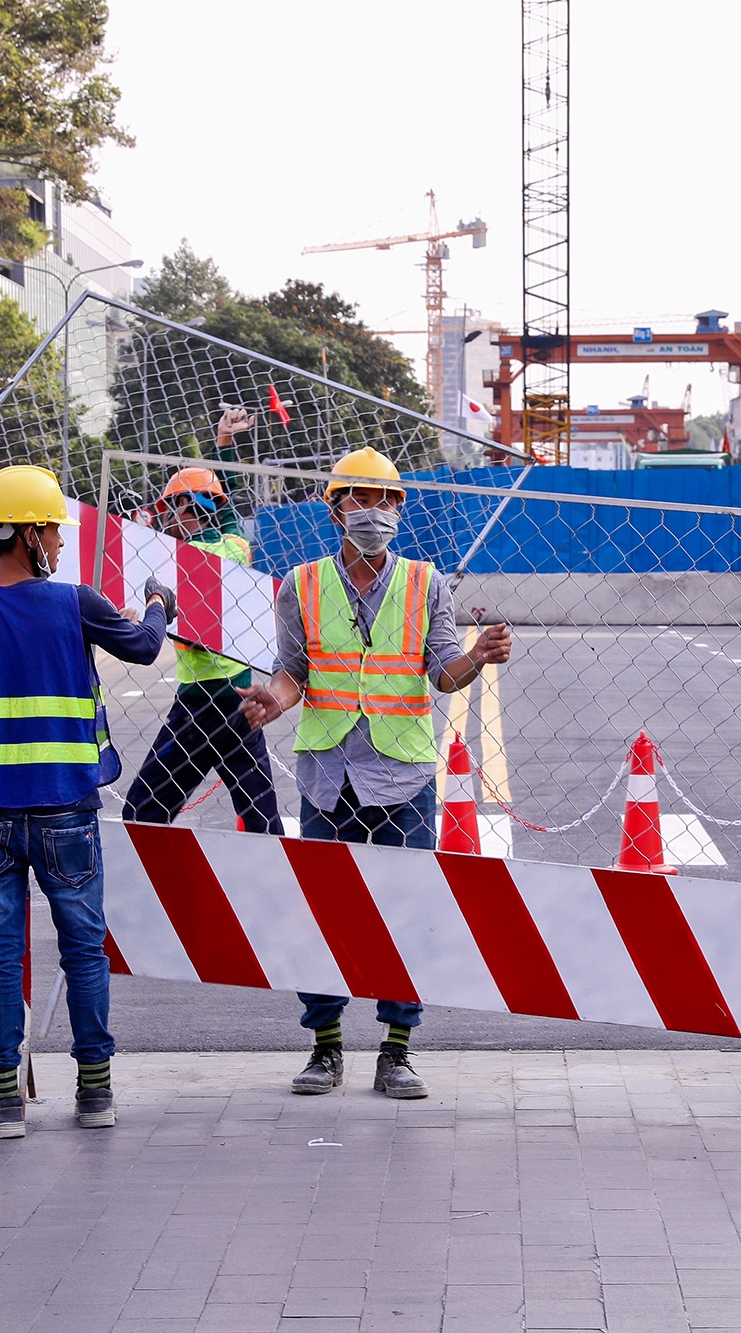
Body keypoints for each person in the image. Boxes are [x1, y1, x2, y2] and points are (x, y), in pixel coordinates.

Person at [237, 446, 512, 1099]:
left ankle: (396, 1049)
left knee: (406, 912)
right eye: (362, 497)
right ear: (335, 508)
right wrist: (273, 699)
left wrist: (475, 658)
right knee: (325, 912)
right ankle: (325, 1046)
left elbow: (443, 670)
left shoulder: (426, 584)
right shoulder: (301, 584)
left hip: (405, 777)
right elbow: (293, 671)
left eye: (388, 499)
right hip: (329, 775)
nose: (376, 511)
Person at [0, 464, 167, 1140]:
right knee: (84, 948)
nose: (60, 542)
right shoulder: (74, 603)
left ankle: (2, 1100)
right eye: (54, 530)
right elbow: (145, 648)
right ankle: (94, 1093)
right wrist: (157, 601)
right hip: (68, 812)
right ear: (29, 533)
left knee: (0, 951)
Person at [124, 424, 285, 837]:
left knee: (143, 810)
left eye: (172, 507)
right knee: (260, 816)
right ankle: (280, 887)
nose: (167, 517)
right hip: (241, 697)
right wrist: (225, 447)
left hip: (197, 701)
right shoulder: (235, 549)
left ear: (185, 506)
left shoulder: (171, 561)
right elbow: (230, 508)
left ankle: (155, 888)